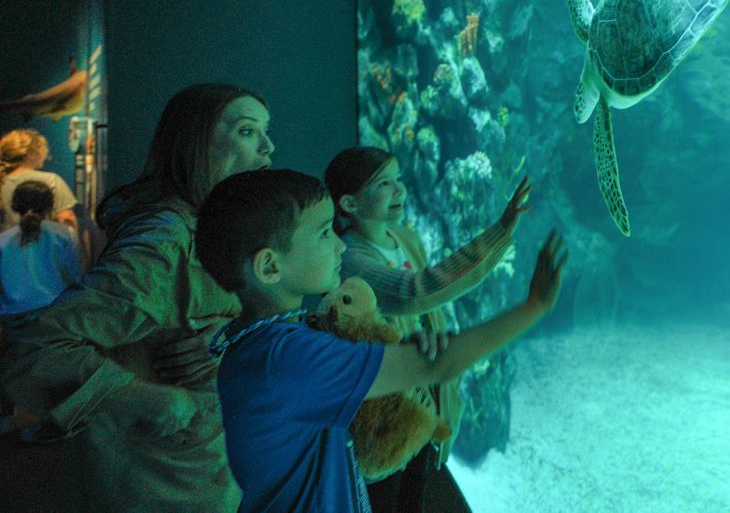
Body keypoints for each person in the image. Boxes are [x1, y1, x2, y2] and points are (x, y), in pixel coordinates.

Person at [196, 168, 565, 513]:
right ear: (270, 267)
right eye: (324, 233)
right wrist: (534, 308)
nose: (339, 247)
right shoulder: (290, 358)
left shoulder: (257, 343)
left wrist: (394, 351)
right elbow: (440, 364)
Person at [0, 83, 274, 512]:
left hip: (203, 477)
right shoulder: (163, 244)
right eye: (246, 131)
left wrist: (229, 336)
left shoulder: (209, 231)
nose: (268, 148)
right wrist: (149, 399)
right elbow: (36, 348)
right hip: (160, 488)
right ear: (195, 144)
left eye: (265, 132)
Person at [324, 146, 531, 512]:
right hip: (391, 414)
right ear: (349, 204)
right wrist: (498, 235)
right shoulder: (352, 260)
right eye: (384, 184)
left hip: (429, 396)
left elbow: (429, 306)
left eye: (399, 179)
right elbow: (417, 291)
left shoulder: (406, 238)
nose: (399, 190)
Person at [0, 180, 81, 322]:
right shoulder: (66, 234)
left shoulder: (3, 240)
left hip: (12, 316)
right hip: (55, 314)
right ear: (50, 205)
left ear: (15, 205)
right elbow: (76, 273)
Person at [0, 129, 78, 233]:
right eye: (44, 147)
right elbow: (67, 219)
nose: (46, 151)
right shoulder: (51, 180)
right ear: (31, 154)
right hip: (44, 246)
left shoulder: (2, 181)